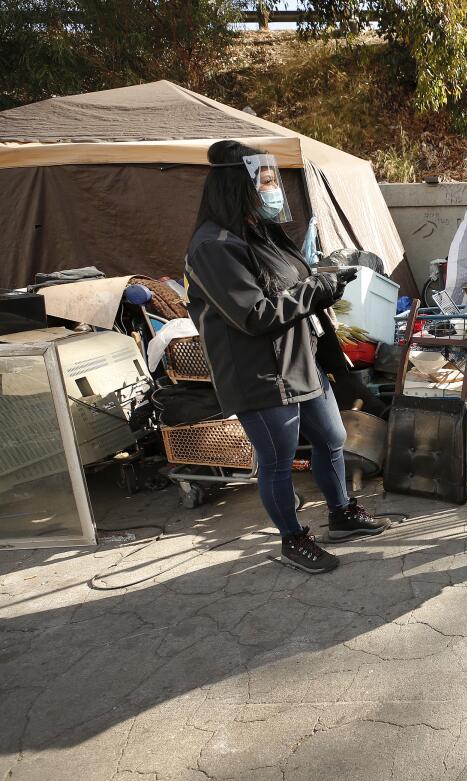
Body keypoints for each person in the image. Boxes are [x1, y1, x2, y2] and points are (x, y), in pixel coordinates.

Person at [185, 140, 391, 574]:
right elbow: (255, 315)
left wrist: (325, 280)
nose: (272, 190)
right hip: (258, 372)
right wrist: (317, 289)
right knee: (277, 460)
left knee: (332, 438)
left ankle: (341, 513)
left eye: (272, 181)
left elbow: (294, 285)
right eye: (264, 182)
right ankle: (292, 538)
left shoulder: (262, 231)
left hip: (301, 358)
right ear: (236, 187)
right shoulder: (213, 247)